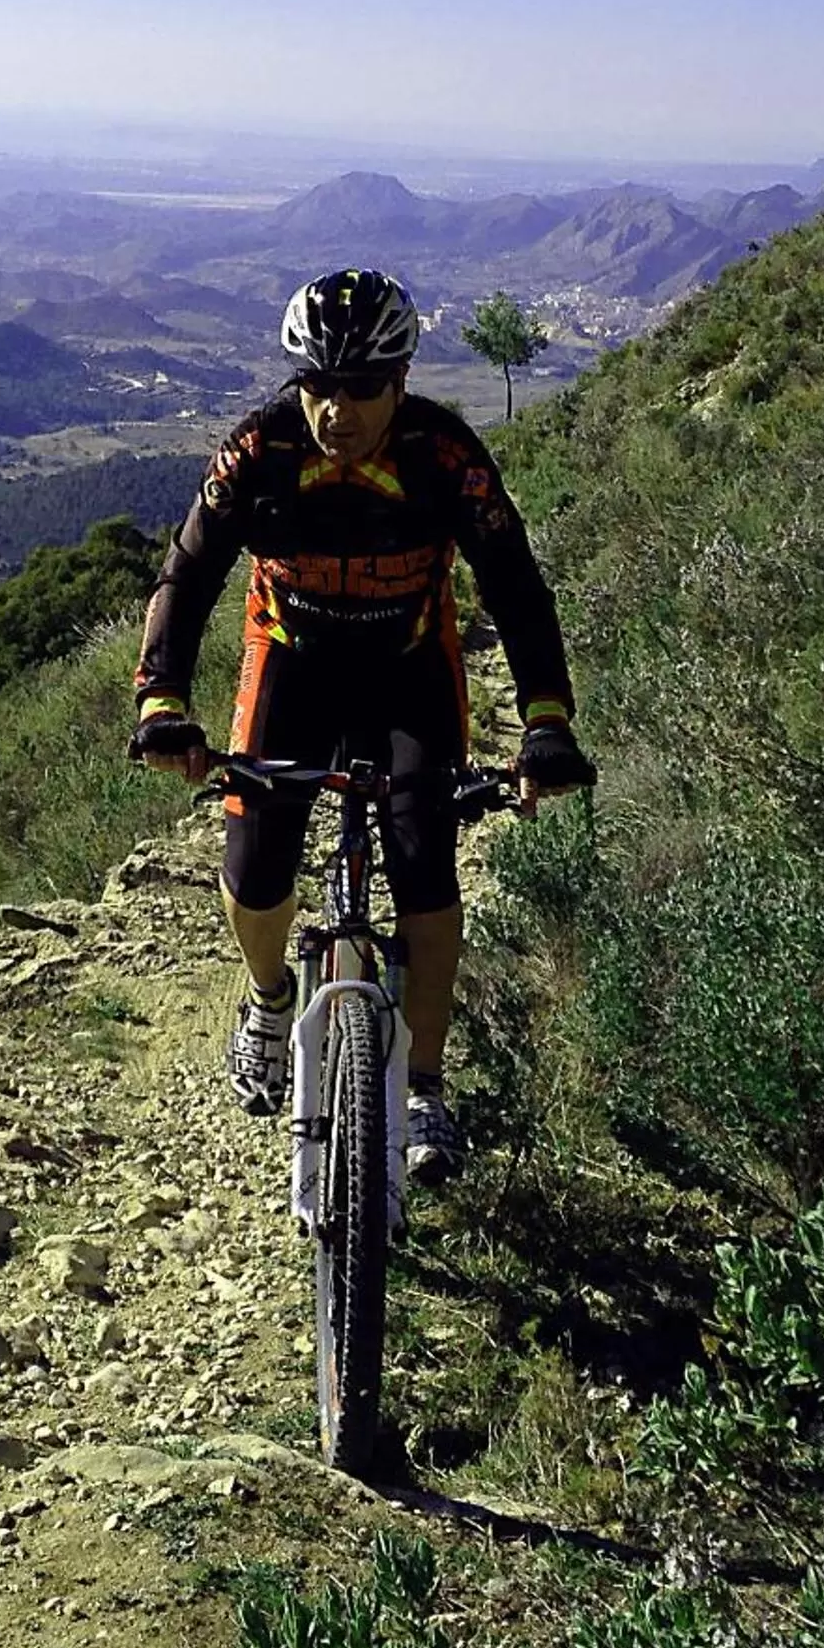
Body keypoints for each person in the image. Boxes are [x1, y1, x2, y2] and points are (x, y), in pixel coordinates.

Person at [128, 267, 594, 1184]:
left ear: (403, 377)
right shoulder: (257, 451)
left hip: (407, 666)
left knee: (425, 867)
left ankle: (422, 1084)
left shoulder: (443, 455)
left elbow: (515, 586)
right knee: (256, 864)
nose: (336, 410)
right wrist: (162, 703)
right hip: (289, 659)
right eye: (316, 385)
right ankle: (266, 1002)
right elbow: (186, 578)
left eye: (362, 387)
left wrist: (546, 723)